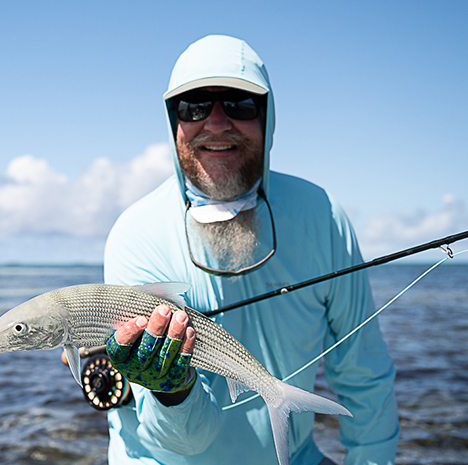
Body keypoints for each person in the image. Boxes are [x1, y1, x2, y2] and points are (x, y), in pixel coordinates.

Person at [102, 35, 399, 464]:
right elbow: (181, 444)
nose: (217, 123)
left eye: (240, 105)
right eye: (194, 106)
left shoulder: (322, 216)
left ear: (268, 117)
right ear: (174, 122)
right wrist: (174, 389)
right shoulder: (136, 233)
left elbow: (363, 373)